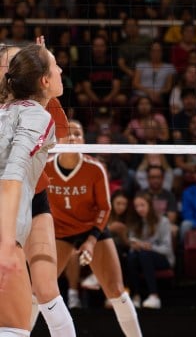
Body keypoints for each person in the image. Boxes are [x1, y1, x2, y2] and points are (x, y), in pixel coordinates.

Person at [2, 41, 77, 336]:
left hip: (33, 198)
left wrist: (43, 83)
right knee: (14, 324)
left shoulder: (33, 112)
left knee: (45, 289)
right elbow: (11, 176)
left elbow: (60, 130)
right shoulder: (19, 113)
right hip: (9, 206)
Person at [45, 120, 142, 337]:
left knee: (116, 291)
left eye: (78, 134)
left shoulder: (95, 168)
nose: (72, 138)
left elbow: (105, 208)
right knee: (37, 292)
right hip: (61, 232)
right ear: (58, 139)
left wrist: (91, 240)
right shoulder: (46, 166)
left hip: (92, 229)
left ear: (84, 140)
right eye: (67, 133)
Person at [125, 192, 174, 310]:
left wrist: (150, 247)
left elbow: (167, 249)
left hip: (163, 258)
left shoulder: (163, 221)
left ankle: (154, 295)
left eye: (142, 205)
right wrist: (134, 246)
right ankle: (136, 296)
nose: (139, 209)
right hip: (141, 257)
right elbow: (132, 242)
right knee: (132, 257)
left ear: (150, 205)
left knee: (144, 254)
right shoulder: (135, 222)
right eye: (137, 206)